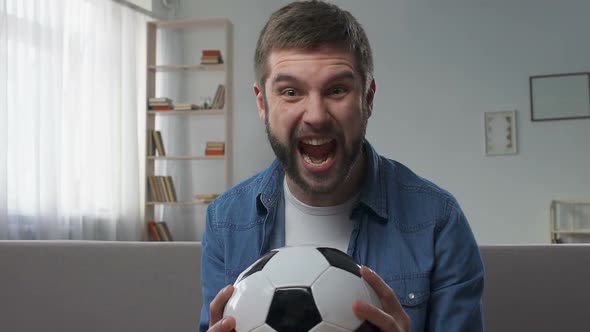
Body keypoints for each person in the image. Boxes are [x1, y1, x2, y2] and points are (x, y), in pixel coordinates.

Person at [199, 1, 484, 331]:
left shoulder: (438, 222)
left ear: (368, 98)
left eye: (337, 90)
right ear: (263, 104)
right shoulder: (226, 222)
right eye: (291, 92)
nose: (317, 115)